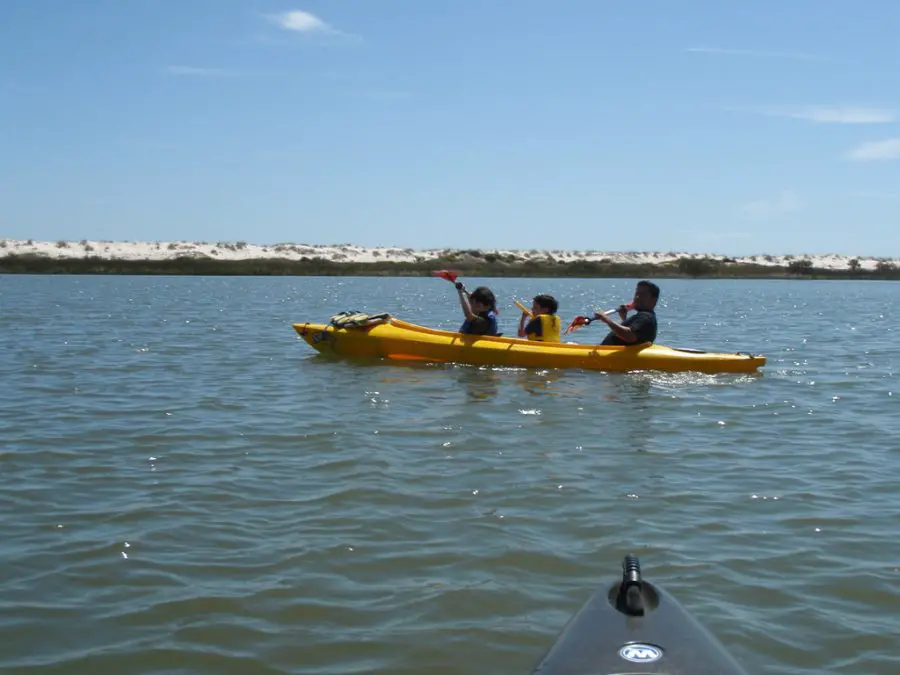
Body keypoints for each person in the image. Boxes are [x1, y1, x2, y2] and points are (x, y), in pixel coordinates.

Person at [595, 280, 660, 346]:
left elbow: (630, 336)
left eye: (642, 294)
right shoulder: (647, 317)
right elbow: (635, 337)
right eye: (637, 293)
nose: (637, 297)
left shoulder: (646, 316)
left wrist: (606, 319)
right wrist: (624, 318)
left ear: (653, 300)